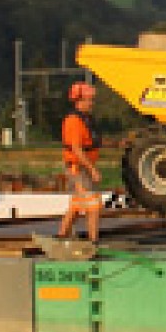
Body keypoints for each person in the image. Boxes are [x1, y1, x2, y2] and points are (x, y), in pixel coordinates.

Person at [58, 81, 103, 246]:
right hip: (79, 168)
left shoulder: (85, 119)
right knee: (93, 205)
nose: (91, 103)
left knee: (77, 205)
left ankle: (62, 235)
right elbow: (77, 149)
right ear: (78, 101)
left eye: (92, 100)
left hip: (83, 167)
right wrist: (92, 170)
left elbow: (90, 143)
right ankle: (93, 241)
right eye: (88, 100)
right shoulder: (74, 121)